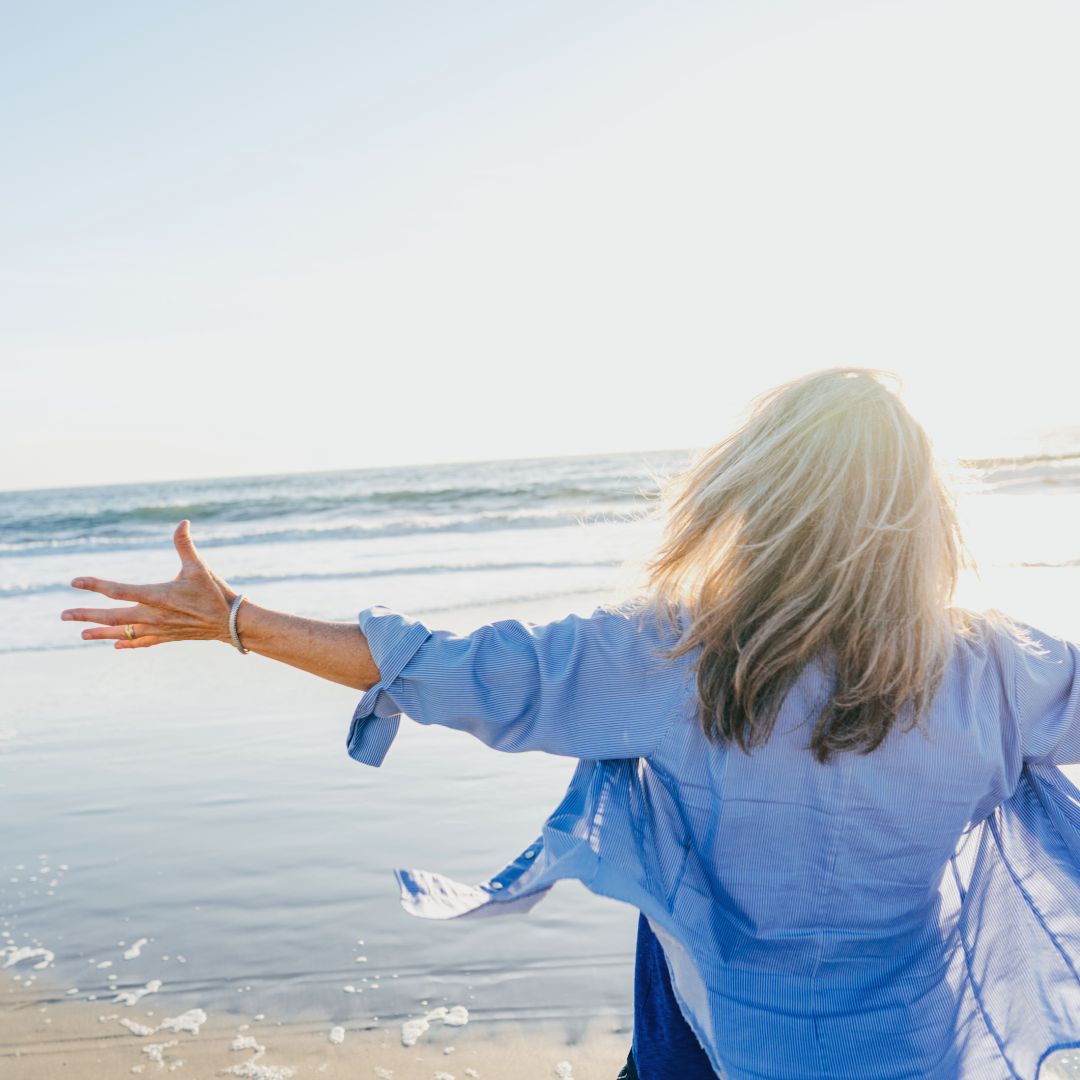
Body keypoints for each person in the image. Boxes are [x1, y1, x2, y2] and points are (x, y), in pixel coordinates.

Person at [59, 368, 1080, 1079]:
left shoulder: (668, 657)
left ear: (755, 496)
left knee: (653, 861)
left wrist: (237, 620)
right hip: (915, 1053)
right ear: (927, 516)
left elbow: (451, 673)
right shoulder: (999, 670)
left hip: (724, 1047)